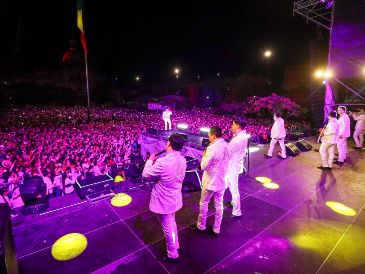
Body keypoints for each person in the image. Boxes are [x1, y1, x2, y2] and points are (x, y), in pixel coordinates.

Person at [142, 133, 186, 262]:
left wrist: (150, 160)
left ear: (168, 144)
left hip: (164, 200)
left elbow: (145, 174)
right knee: (172, 223)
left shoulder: (163, 161)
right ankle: (175, 244)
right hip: (175, 197)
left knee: (167, 227)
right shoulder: (182, 160)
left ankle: (172, 253)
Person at [193, 126, 229, 236]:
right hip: (222, 179)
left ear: (213, 135)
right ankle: (216, 228)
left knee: (204, 203)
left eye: (209, 135)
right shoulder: (227, 145)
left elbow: (203, 166)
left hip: (210, 181)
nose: (208, 137)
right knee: (219, 204)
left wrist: (203, 156)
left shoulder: (212, 148)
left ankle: (201, 225)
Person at [225, 120, 247, 217]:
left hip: (233, 166)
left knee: (234, 189)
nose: (231, 126)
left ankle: (237, 211)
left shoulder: (238, 139)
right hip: (233, 165)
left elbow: (227, 151)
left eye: (233, 124)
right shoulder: (240, 136)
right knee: (230, 185)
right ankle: (234, 203)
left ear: (238, 126)